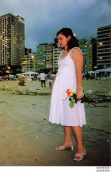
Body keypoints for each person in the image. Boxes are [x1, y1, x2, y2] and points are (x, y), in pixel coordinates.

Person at [49, 28, 86, 161]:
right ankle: (68, 142)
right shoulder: (62, 53)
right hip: (61, 87)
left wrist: (79, 89)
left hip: (71, 88)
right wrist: (54, 84)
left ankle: (81, 148)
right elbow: (60, 71)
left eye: (61, 38)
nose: (58, 41)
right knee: (65, 115)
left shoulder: (75, 51)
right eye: (58, 39)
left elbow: (78, 70)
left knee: (73, 116)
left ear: (69, 37)